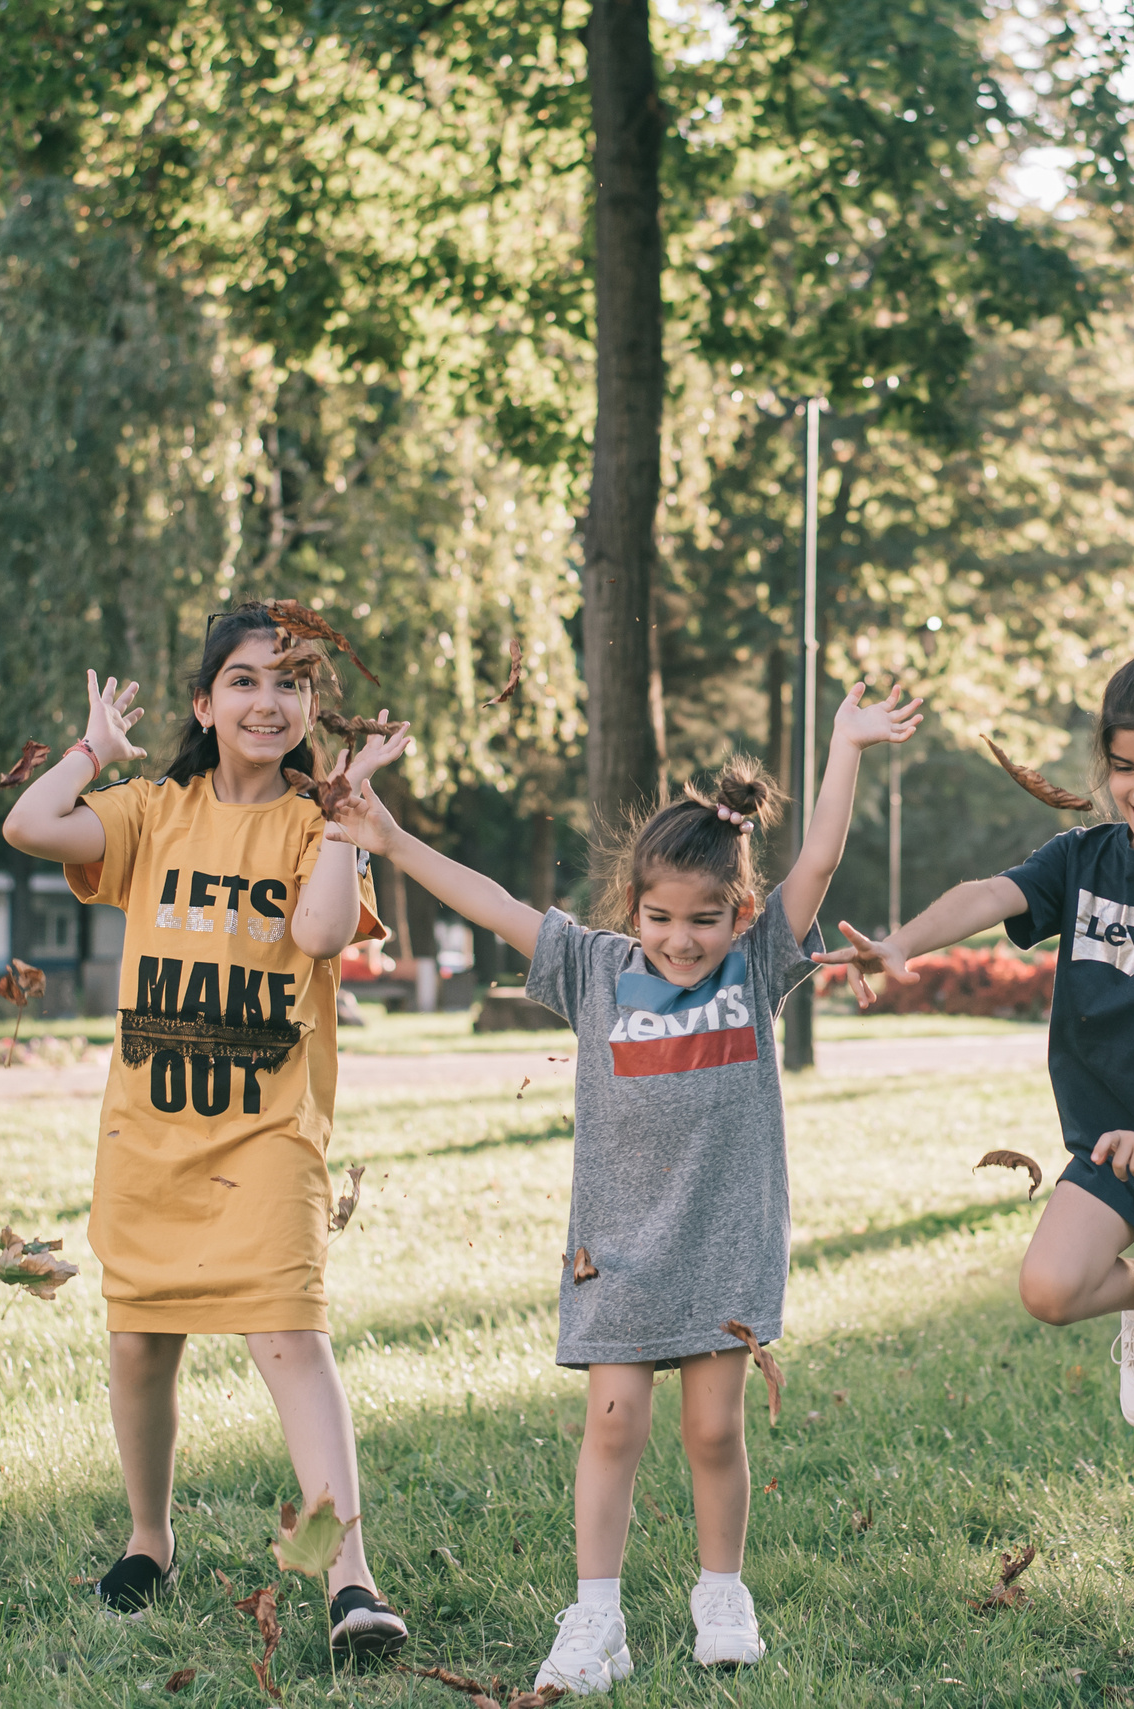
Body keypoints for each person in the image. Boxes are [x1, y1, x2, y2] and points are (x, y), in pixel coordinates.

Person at [321, 685, 922, 1694]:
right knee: (613, 1423)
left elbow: (815, 859)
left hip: (724, 1237)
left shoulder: (755, 963)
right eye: (659, 916)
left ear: (738, 911)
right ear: (630, 906)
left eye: (704, 918)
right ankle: (594, 1613)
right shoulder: (595, 969)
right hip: (618, 1242)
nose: (681, 938)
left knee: (715, 1428)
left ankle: (720, 1590)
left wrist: (845, 745)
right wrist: (389, 834)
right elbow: (496, 903)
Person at [814, 609, 1134, 1681]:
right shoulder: (1087, 854)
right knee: (1050, 1284)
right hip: (1115, 1142)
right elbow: (993, 893)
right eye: (1123, 769)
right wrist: (900, 943)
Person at [1, 601, 414, 1656]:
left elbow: (321, 931)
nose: (266, 700)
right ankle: (150, 1539)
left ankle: (351, 1578)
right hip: (152, 1134)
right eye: (243, 679)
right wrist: (91, 747)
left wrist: (346, 813)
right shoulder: (149, 811)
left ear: (310, 706)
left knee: (290, 1337)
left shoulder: (313, 821)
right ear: (204, 701)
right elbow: (32, 825)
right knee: (142, 1342)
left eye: (288, 682)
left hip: (267, 1136)